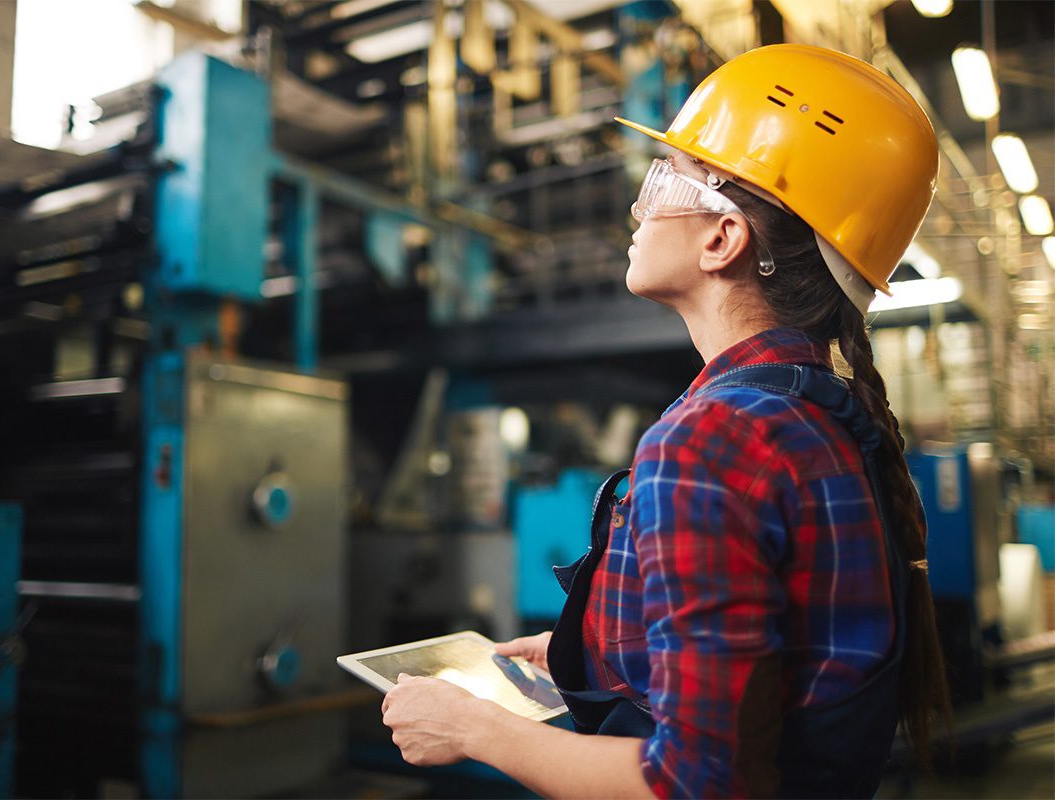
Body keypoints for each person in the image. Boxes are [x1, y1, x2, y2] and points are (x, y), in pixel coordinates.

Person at [380, 43, 951, 798]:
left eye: (662, 182)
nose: (637, 208)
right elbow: (785, 667)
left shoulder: (716, 438)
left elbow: (695, 784)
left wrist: (473, 729)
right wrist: (592, 653)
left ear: (723, 238)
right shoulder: (820, 419)